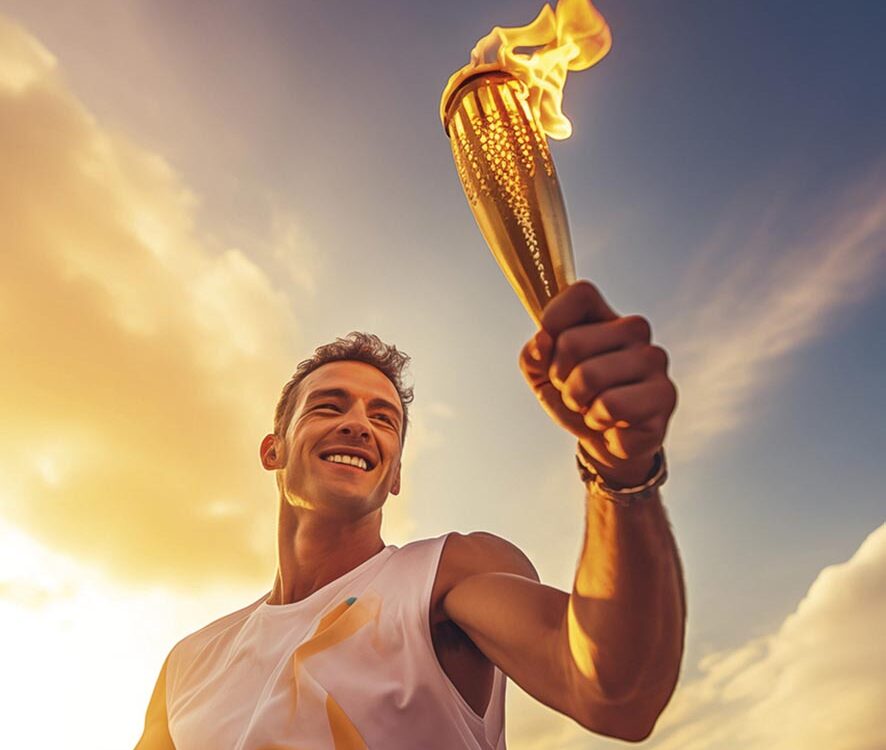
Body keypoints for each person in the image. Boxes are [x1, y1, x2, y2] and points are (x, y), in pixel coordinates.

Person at [135, 280, 685, 749]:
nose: (359, 425)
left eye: (385, 418)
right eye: (330, 405)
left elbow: (617, 693)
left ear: (394, 475)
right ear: (272, 450)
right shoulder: (188, 663)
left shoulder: (447, 577)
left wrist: (618, 472)